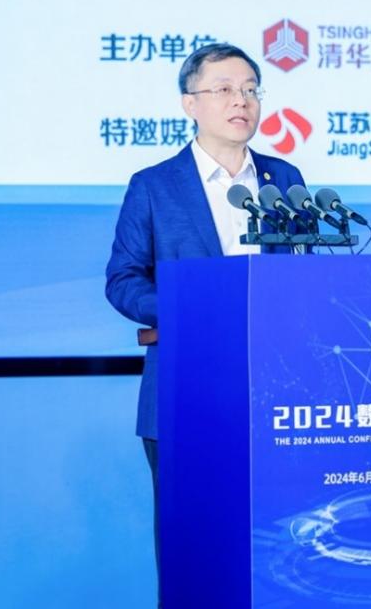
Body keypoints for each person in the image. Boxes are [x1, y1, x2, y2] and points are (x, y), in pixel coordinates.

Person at [104, 43, 306, 605]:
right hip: (185, 395)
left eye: (250, 90)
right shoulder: (154, 186)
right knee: (194, 558)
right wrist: (190, 309)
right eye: (224, 90)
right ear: (189, 104)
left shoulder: (284, 177)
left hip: (276, 395)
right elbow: (123, 280)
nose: (241, 101)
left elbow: (303, 273)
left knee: (275, 552)